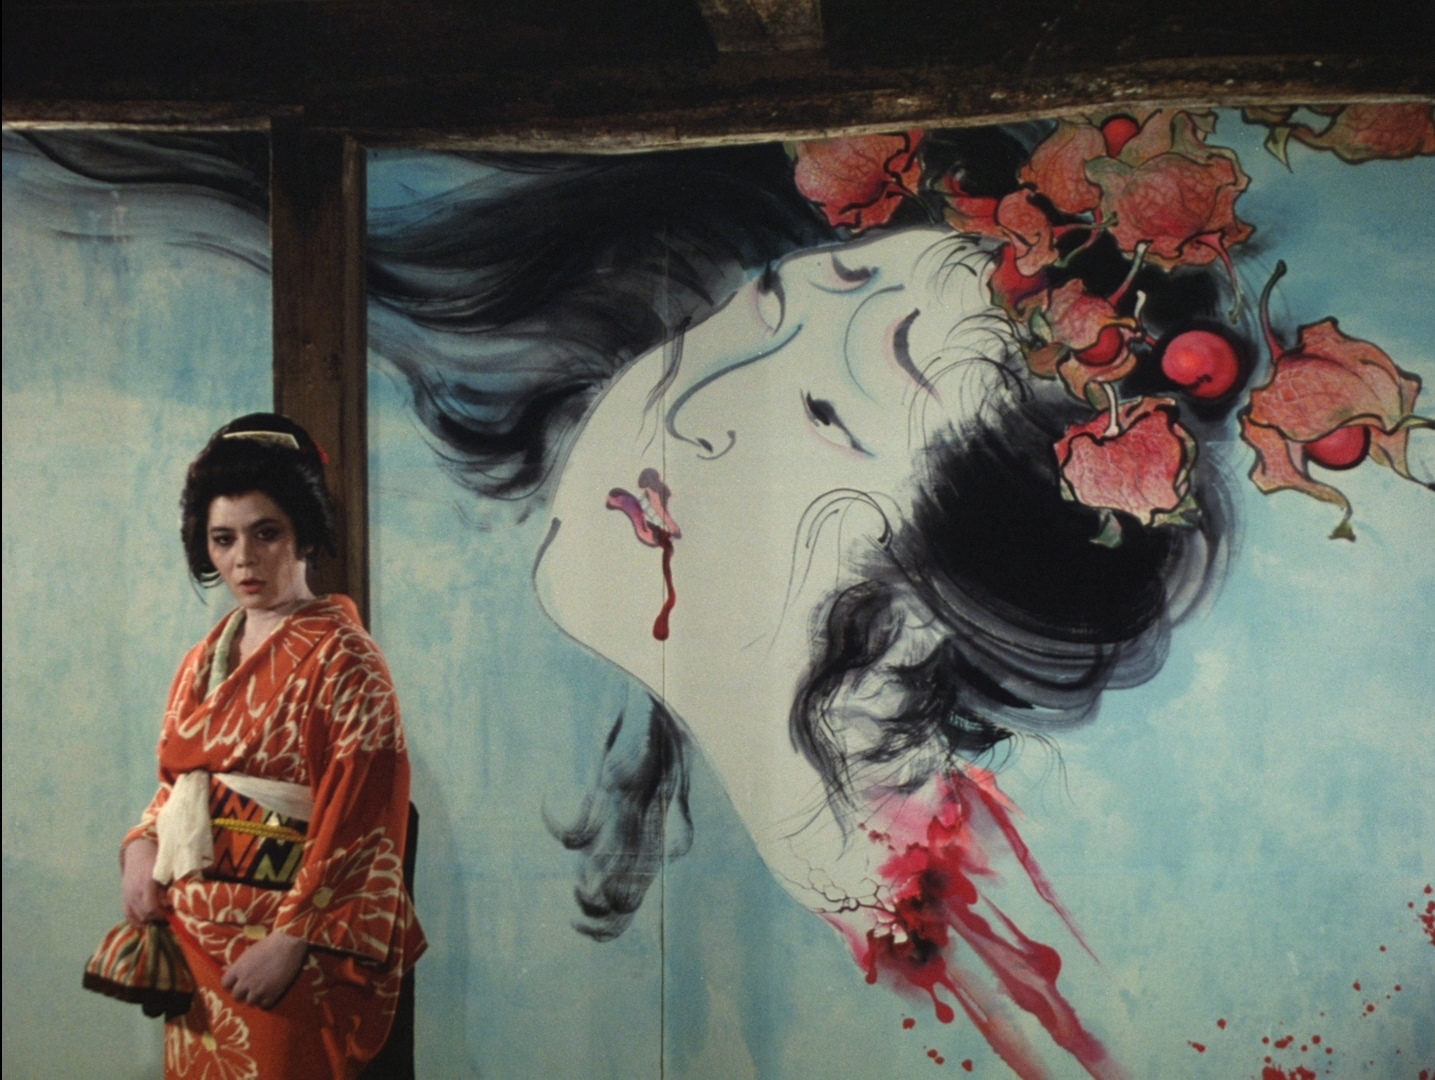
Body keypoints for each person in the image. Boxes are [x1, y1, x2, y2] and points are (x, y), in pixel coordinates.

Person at [118, 413, 425, 1080]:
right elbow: (180, 789)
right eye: (222, 539)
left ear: (303, 534)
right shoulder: (202, 659)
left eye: (266, 533)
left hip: (288, 946)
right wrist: (142, 844)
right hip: (196, 935)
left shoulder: (346, 657)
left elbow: (365, 816)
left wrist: (292, 938)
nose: (243, 559)